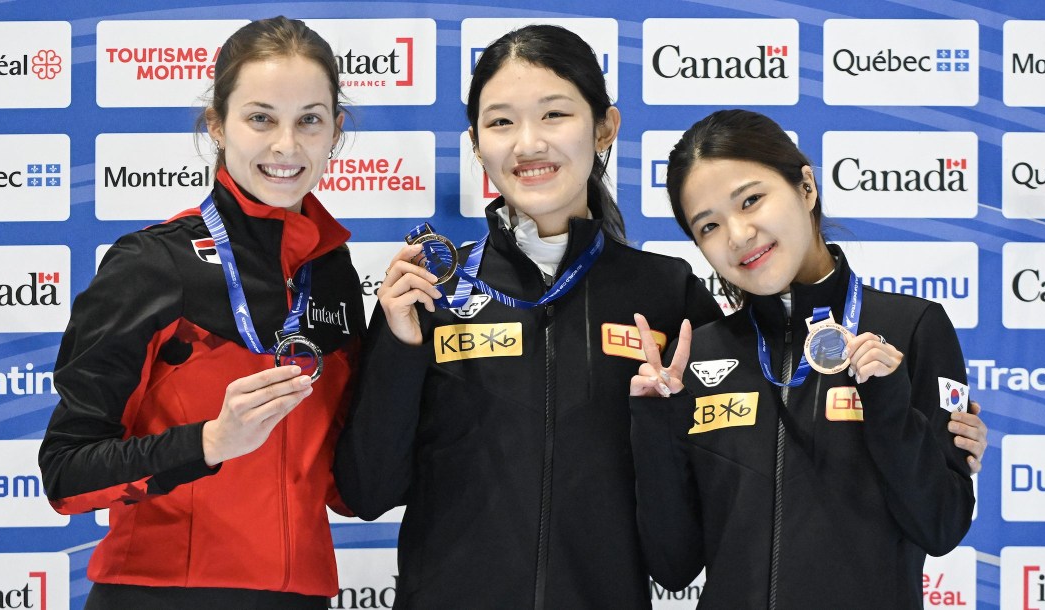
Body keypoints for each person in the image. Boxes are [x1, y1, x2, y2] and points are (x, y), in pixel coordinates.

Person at [334, 24, 724, 609]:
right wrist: (400, 352)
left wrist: (657, 423)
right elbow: (367, 493)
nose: (528, 144)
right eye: (500, 122)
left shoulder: (667, 293)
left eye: (554, 115)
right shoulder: (430, 293)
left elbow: (679, 557)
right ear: (475, 143)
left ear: (604, 128)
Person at [38, 17, 365, 609]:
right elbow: (66, 475)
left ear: (335, 129)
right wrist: (211, 441)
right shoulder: (152, 263)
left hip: (302, 595)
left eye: (309, 121)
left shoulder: (334, 272)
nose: (286, 146)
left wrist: (405, 351)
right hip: (161, 593)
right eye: (260, 118)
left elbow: (351, 488)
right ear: (218, 124)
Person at [628, 109, 980, 609]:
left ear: (806, 188)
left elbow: (941, 524)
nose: (738, 235)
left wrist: (887, 403)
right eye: (708, 225)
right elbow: (673, 564)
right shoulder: (700, 355)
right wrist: (655, 421)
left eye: (751, 199)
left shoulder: (914, 328)